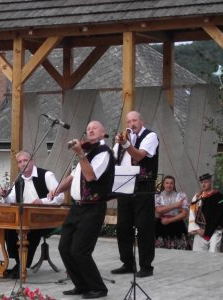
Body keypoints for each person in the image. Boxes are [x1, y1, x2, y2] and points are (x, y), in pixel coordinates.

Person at [48, 121, 114, 299]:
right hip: (77, 207)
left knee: (80, 250)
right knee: (64, 247)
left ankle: (99, 288)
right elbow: (72, 177)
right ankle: (82, 285)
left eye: (95, 128)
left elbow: (91, 176)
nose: (90, 130)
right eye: (88, 129)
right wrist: (57, 190)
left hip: (93, 207)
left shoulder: (104, 153)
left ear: (103, 132)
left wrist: (79, 153)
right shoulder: (87, 152)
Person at [0, 150, 64, 279]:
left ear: (32, 161)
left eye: (25, 160)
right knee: (9, 228)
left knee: (30, 230)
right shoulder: (18, 180)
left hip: (47, 217)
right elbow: (12, 200)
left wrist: (43, 201)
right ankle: (19, 263)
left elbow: (60, 196)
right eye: (20, 162)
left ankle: (23, 266)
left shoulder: (46, 175)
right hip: (26, 218)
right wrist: (5, 196)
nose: (23, 164)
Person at [111, 110, 159, 278]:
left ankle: (146, 266)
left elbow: (139, 157)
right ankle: (127, 262)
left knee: (144, 227)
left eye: (135, 120)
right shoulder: (122, 140)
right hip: (124, 186)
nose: (132, 124)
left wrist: (126, 144)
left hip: (143, 186)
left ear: (141, 120)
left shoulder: (150, 136)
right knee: (123, 227)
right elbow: (113, 158)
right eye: (129, 121)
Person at [188, 173, 223, 252]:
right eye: (201, 182)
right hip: (200, 230)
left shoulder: (218, 196)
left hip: (214, 230)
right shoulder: (197, 196)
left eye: (206, 182)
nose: (203, 184)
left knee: (213, 253)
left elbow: (219, 216)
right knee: (197, 255)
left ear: (211, 182)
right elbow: (192, 213)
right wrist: (196, 229)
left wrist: (207, 230)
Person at [154, 175, 191, 250]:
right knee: (160, 251)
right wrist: (175, 205)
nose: (169, 185)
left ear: (174, 185)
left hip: (177, 225)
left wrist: (169, 220)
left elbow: (184, 214)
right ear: (163, 184)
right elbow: (159, 210)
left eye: (171, 183)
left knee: (180, 250)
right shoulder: (157, 196)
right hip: (161, 225)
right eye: (167, 183)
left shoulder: (181, 195)